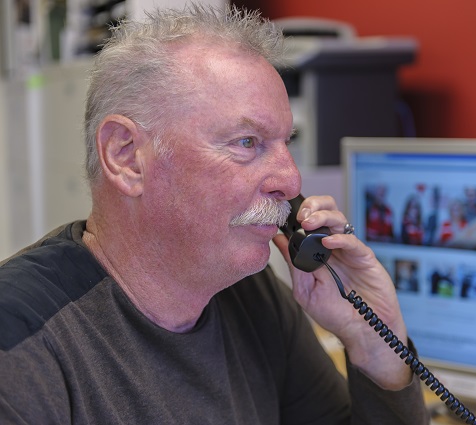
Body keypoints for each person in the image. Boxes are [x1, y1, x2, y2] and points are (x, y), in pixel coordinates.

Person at [0, 4, 430, 425]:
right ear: (126, 157)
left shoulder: (251, 295)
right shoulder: (20, 339)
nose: (292, 181)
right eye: (246, 142)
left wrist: (372, 341)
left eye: (286, 143)